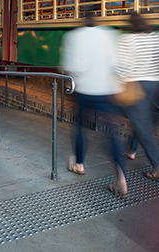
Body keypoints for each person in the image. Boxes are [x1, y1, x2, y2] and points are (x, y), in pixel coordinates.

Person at [61, 13, 128, 198]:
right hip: (106, 91)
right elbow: (117, 64)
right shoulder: (110, 34)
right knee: (112, 133)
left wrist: (69, 85)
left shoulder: (73, 36)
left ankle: (79, 164)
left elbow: (69, 68)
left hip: (83, 90)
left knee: (80, 127)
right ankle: (121, 180)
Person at [116, 11, 159, 183]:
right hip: (153, 84)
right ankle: (131, 150)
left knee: (141, 124)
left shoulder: (127, 39)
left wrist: (120, 83)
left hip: (135, 83)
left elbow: (123, 66)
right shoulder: (156, 37)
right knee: (141, 119)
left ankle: (158, 167)